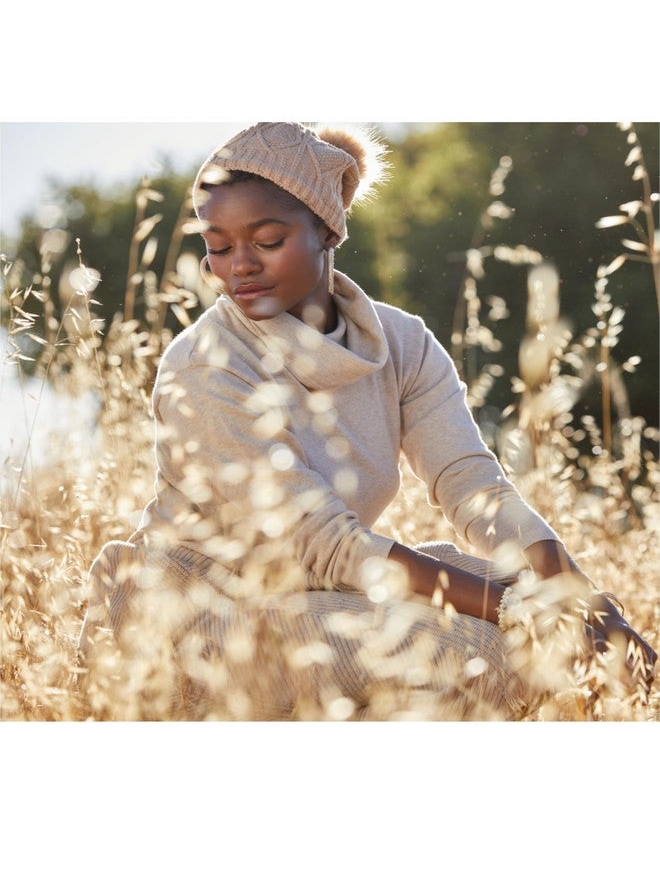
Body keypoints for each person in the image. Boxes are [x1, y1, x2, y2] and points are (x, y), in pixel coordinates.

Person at [78, 122, 656, 721]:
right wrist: (517, 611)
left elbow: (473, 485)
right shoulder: (206, 365)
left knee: (559, 614)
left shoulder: (404, 343)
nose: (239, 266)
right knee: (490, 649)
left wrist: (586, 606)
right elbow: (322, 543)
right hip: (201, 612)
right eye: (218, 247)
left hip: (324, 593)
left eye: (268, 240)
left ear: (328, 230)